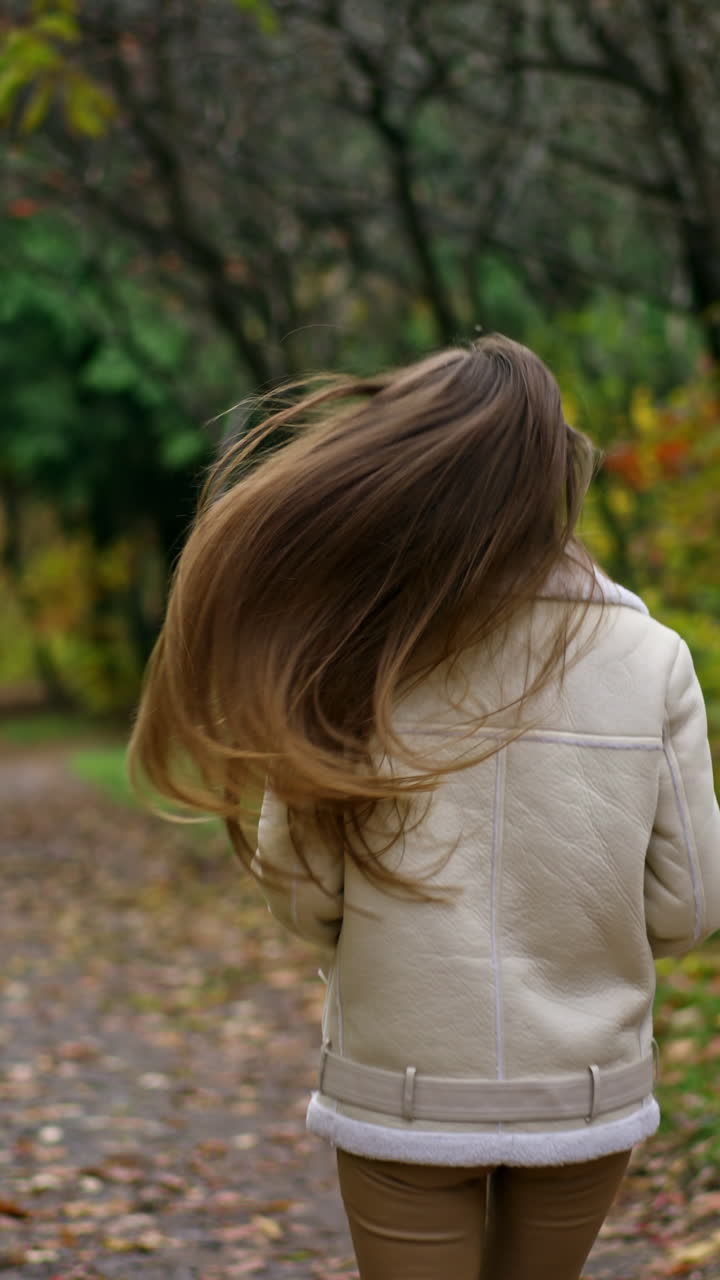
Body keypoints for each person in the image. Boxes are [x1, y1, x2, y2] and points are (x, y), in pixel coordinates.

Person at [128, 335, 720, 1280]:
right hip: (585, 1089)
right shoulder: (652, 661)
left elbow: (303, 896)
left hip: (399, 1090)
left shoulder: (351, 656)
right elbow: (690, 908)